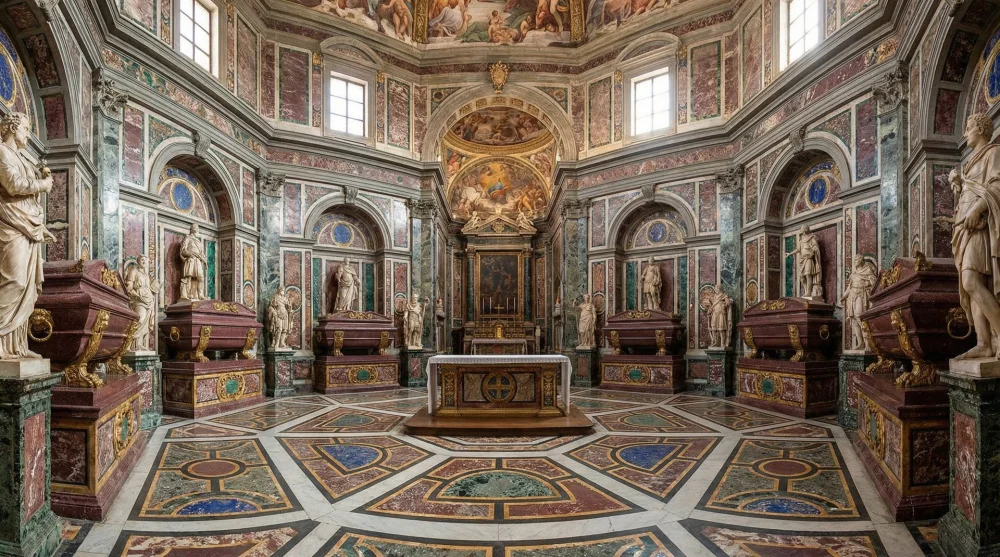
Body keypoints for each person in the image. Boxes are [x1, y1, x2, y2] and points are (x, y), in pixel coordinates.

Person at [0, 112, 56, 358]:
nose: (27, 133)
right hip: (10, 226)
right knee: (15, 281)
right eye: (25, 128)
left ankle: (17, 347)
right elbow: (12, 186)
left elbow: (27, 202)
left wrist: (41, 228)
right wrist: (42, 186)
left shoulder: (21, 158)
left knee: (28, 290)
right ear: (12, 128)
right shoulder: (2, 152)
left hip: (28, 228)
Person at [950, 113, 1000, 359]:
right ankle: (984, 343)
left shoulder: (993, 153)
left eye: (968, 128)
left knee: (971, 281)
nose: (965, 133)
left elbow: (997, 186)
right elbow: (969, 196)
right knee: (970, 287)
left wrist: (978, 208)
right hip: (964, 227)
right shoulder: (969, 164)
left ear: (980, 129)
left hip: (979, 226)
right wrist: (959, 186)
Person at [840, 255, 877, 350]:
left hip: (862, 294)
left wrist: (867, 283)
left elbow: (874, 281)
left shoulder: (868, 270)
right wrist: (843, 297)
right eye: (854, 259)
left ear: (861, 260)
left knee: (860, 317)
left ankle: (868, 343)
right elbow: (849, 287)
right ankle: (860, 343)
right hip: (852, 295)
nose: (854, 261)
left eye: (856, 259)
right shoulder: (853, 274)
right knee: (854, 320)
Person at [125, 255, 160, 351]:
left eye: (146, 260)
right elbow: (129, 288)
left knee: (146, 323)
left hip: (148, 300)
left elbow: (148, 288)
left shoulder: (146, 275)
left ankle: (139, 344)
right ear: (138, 261)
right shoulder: (133, 271)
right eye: (142, 260)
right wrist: (137, 295)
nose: (144, 262)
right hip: (138, 300)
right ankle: (128, 344)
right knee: (140, 319)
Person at [788, 225, 822, 299]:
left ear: (806, 229)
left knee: (808, 275)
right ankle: (806, 291)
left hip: (808, 258)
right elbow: (798, 249)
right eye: (801, 229)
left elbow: (815, 247)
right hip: (802, 259)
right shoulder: (801, 240)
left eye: (803, 229)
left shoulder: (812, 238)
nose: (802, 230)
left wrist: (812, 252)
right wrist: (790, 253)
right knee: (802, 278)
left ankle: (808, 292)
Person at [179, 222, 207, 301]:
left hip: (198, 261)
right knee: (189, 277)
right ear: (191, 229)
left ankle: (200, 294)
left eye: (197, 227)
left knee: (200, 278)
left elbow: (201, 253)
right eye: (195, 227)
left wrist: (204, 259)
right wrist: (190, 254)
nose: (196, 229)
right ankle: (187, 294)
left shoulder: (198, 241)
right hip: (191, 260)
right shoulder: (187, 238)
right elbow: (183, 250)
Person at [708, 283, 733, 348]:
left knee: (721, 330)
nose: (716, 290)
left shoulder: (724, 295)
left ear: (720, 289)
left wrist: (728, 301)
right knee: (714, 329)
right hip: (714, 314)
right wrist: (710, 310)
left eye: (717, 288)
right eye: (715, 288)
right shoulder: (713, 297)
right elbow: (711, 305)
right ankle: (715, 342)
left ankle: (722, 344)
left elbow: (729, 302)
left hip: (721, 314)